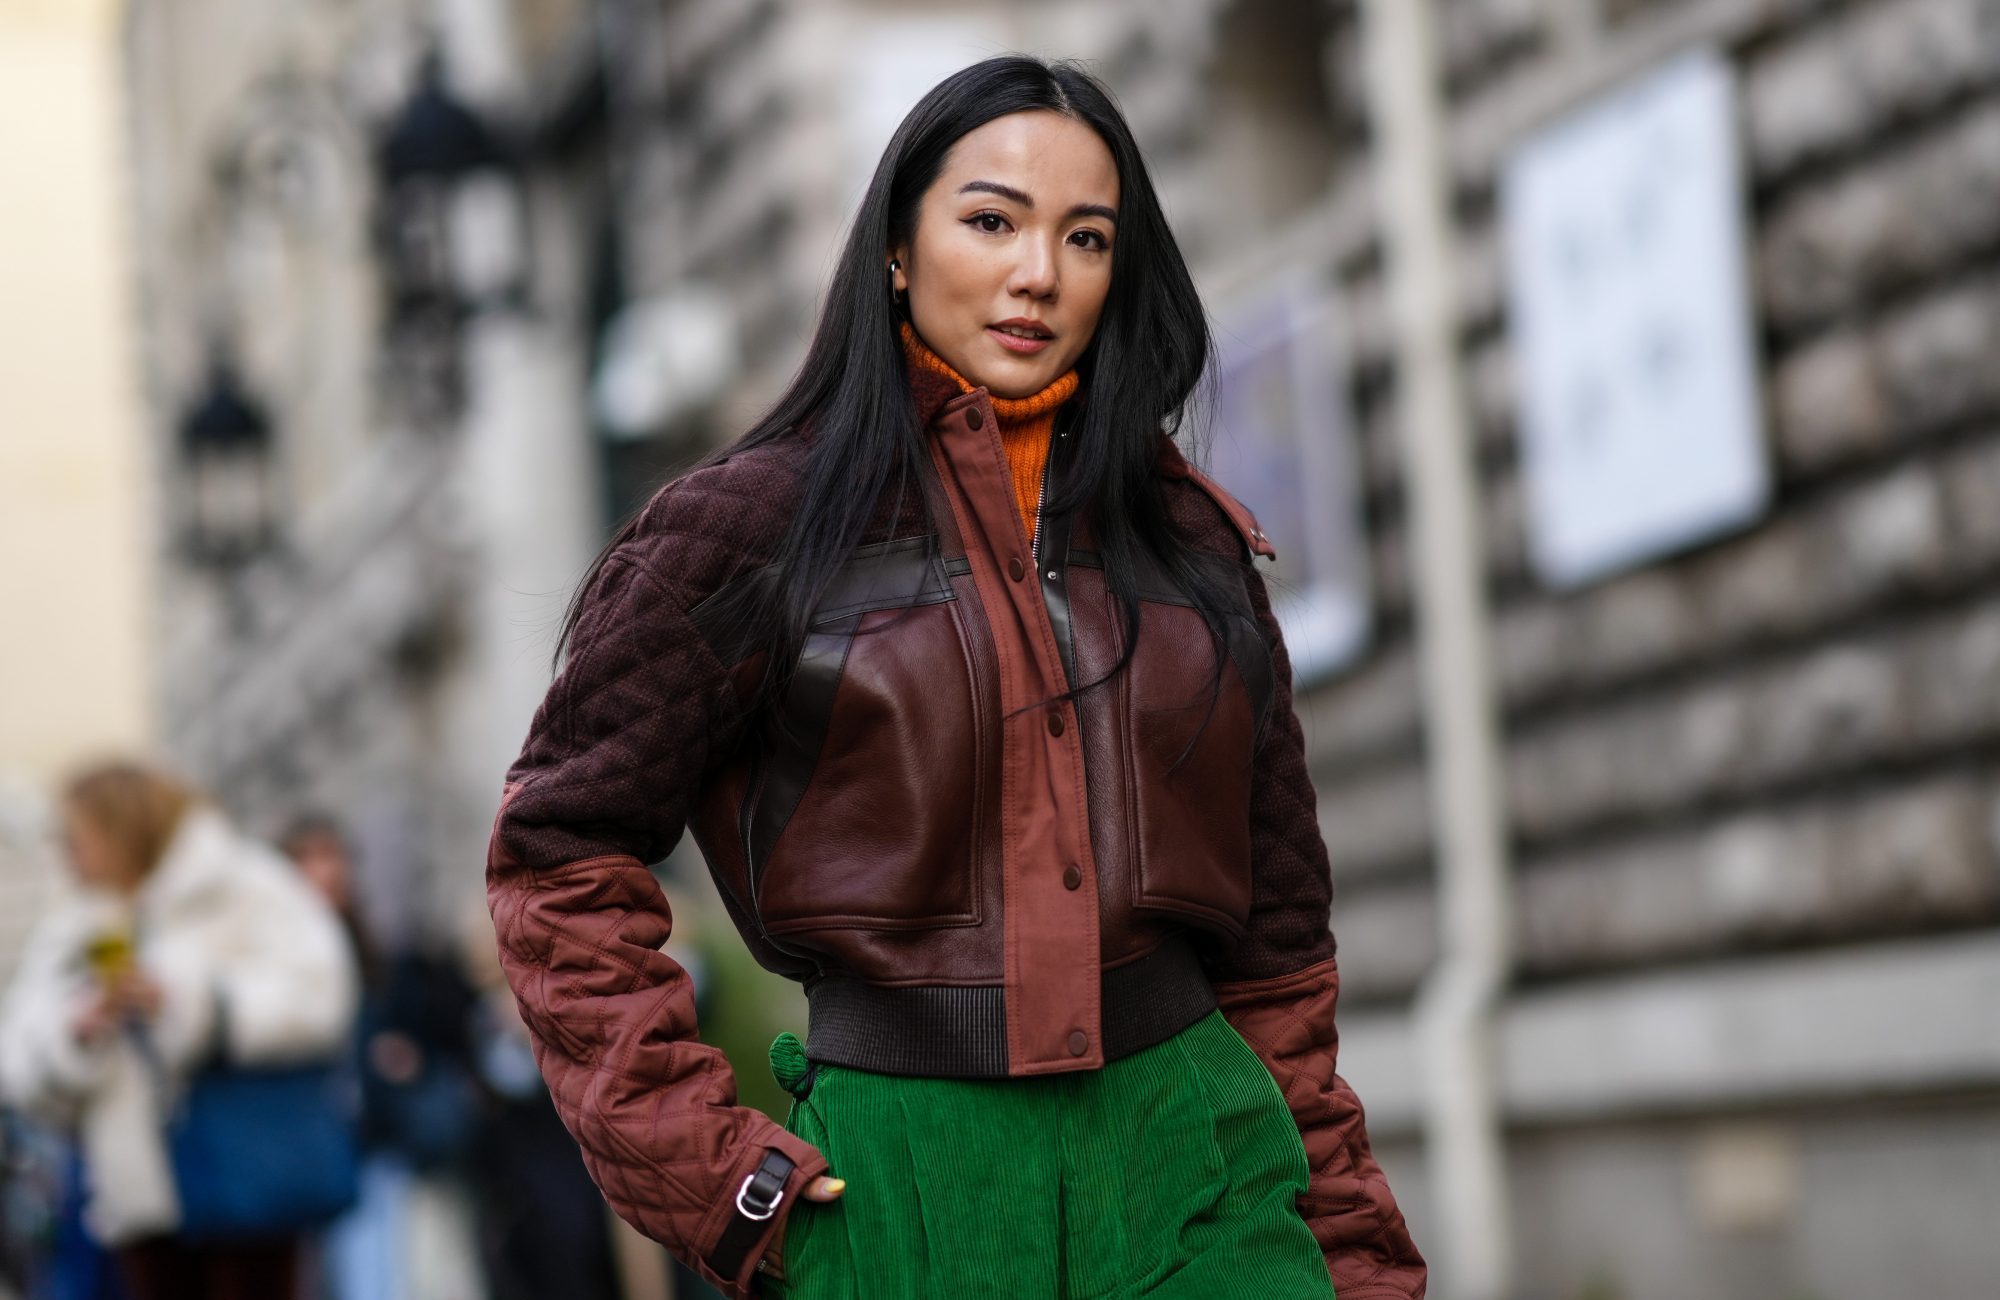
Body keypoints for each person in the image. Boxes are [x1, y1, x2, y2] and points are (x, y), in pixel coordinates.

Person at [485, 54, 1427, 1300]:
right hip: (904, 1188)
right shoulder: (746, 529)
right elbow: (556, 861)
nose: (1038, 272)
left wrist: (1351, 1248)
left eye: (1085, 237)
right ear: (896, 245)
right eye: (991, 221)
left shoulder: (1188, 541)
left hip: (1199, 1158)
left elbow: (1280, 953)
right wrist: (715, 1173)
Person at [0, 761, 358, 1300]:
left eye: (77, 836)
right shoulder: (74, 921)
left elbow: (322, 994)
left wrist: (193, 1004)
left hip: (250, 1170)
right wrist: (78, 1031)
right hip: (137, 1195)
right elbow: (18, 1054)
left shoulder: (244, 885)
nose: (67, 854)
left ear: (122, 826)